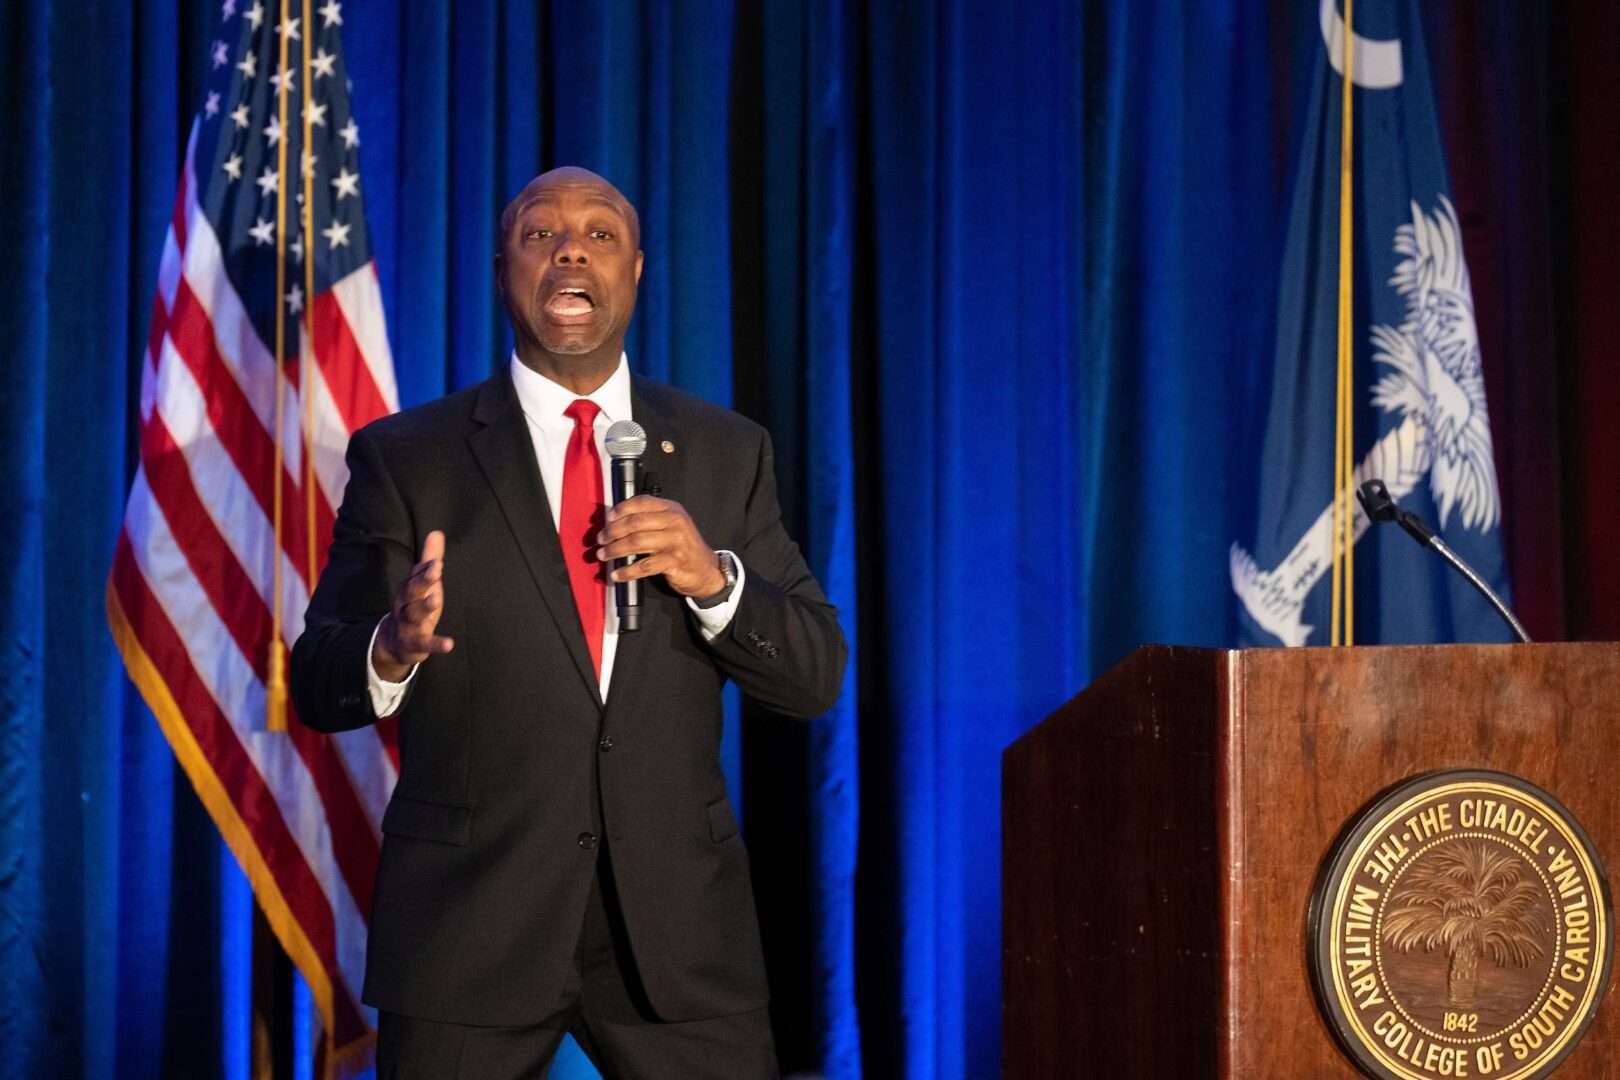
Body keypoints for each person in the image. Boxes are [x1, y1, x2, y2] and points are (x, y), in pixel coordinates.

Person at [291, 166, 847, 1079]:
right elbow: (318, 677)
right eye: (542, 235)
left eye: (598, 234)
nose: (571, 250)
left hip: (678, 937)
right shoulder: (409, 457)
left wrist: (714, 582)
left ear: (635, 270)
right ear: (505, 267)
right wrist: (390, 648)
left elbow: (814, 673)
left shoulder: (723, 450)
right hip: (470, 928)